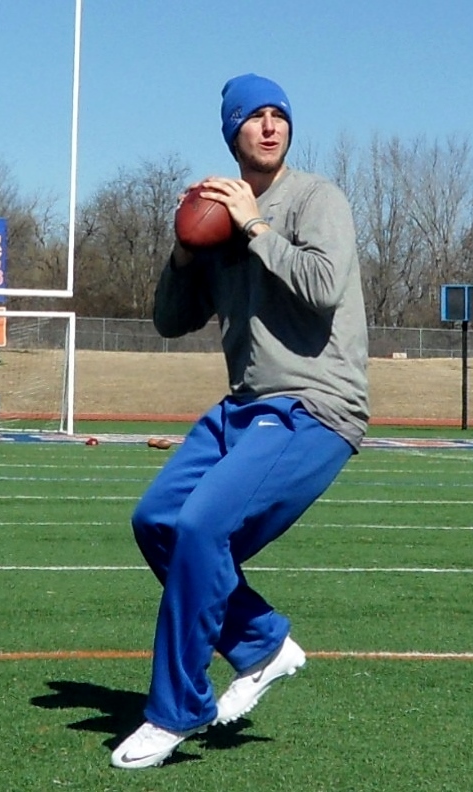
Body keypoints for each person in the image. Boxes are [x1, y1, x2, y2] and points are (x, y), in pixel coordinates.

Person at [110, 73, 369, 770]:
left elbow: (320, 288)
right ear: (232, 133)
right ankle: (260, 645)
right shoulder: (217, 210)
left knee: (202, 528)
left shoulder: (317, 199)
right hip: (245, 405)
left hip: (313, 405)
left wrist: (254, 226)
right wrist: (186, 250)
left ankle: (173, 711)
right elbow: (170, 321)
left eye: (278, 114)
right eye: (253, 116)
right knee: (157, 521)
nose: (268, 125)